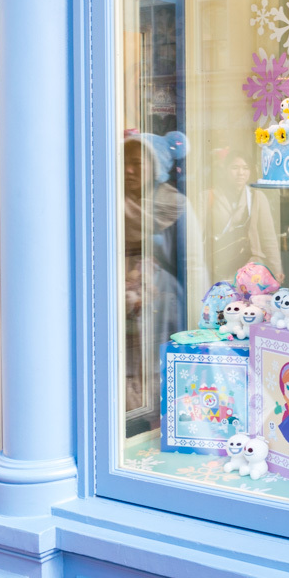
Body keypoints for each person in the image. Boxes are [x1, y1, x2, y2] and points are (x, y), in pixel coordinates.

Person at [123, 132, 204, 419]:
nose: (129, 170)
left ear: (155, 166)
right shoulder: (111, 201)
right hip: (123, 305)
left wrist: (198, 315)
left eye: (137, 163)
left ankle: (161, 420)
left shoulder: (174, 204)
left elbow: (192, 263)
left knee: (157, 366)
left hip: (165, 305)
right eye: (124, 162)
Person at [205, 148, 285, 284]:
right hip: (219, 268)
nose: (240, 173)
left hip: (251, 272)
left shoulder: (257, 197)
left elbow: (268, 238)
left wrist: (276, 270)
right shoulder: (209, 196)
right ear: (225, 170)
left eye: (245, 168)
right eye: (235, 168)